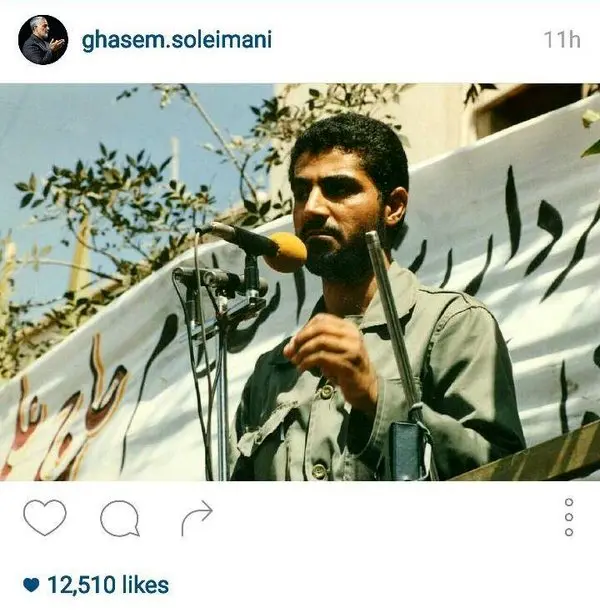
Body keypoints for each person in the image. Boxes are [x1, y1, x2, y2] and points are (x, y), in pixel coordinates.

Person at [229, 112, 525, 481]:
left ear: (394, 206)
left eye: (339, 189)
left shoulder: (453, 325)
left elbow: (508, 478)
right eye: (302, 192)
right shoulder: (271, 372)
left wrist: (375, 397)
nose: (312, 208)